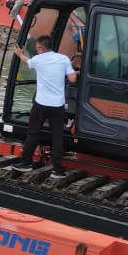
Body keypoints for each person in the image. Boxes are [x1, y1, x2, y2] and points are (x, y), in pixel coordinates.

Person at [12, 35, 77, 178]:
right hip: (58, 105)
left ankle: (26, 163)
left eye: (37, 48)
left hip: (41, 104)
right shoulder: (63, 59)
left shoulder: (38, 60)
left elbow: (26, 61)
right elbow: (72, 79)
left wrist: (19, 53)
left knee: (33, 133)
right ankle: (58, 170)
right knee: (57, 137)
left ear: (41, 48)